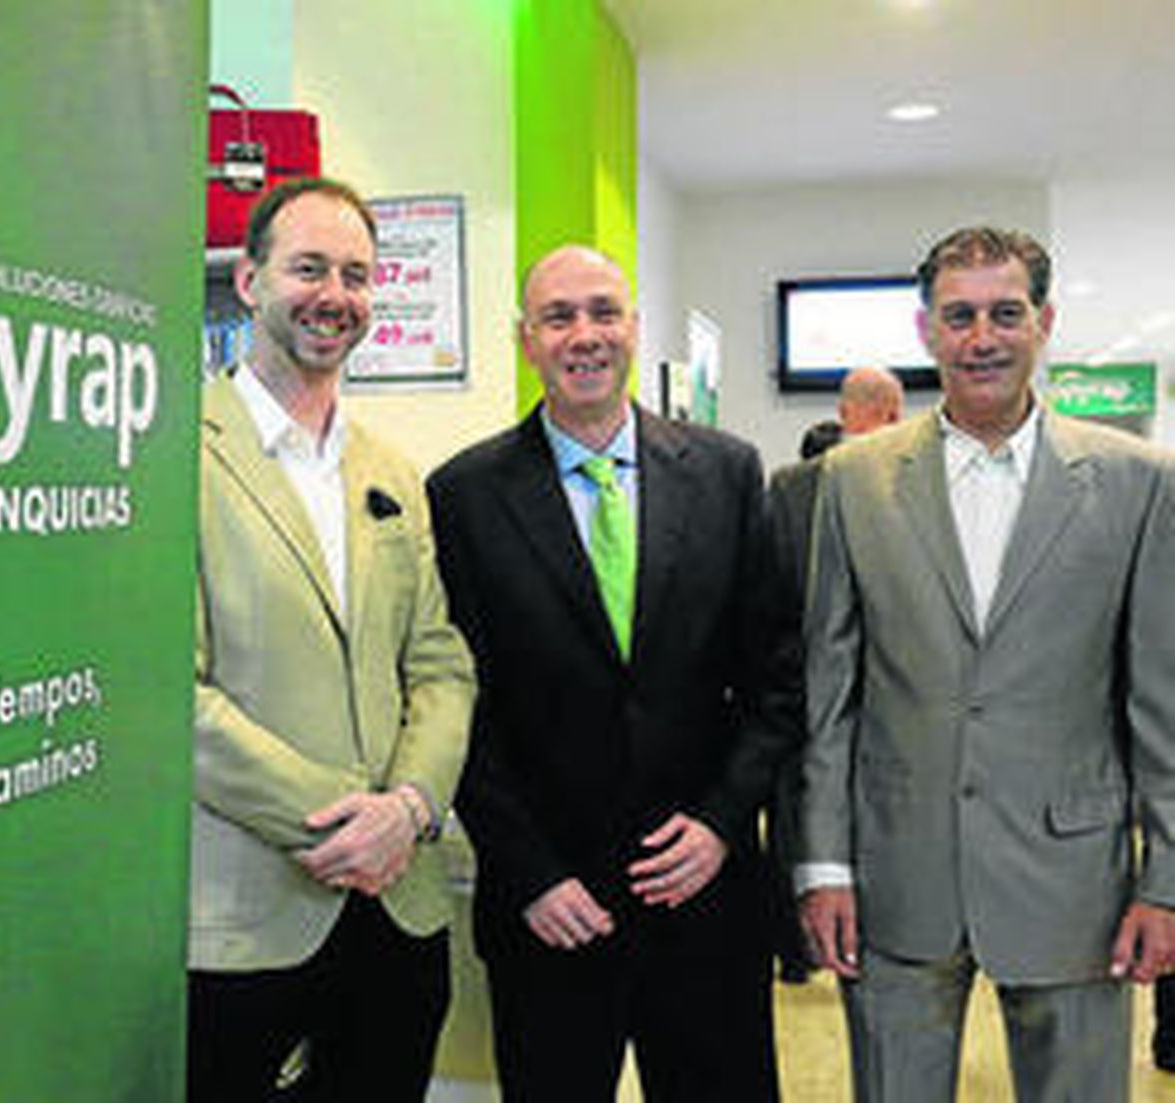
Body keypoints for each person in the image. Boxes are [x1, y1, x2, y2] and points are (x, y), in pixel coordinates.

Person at [800, 225, 1175, 1102]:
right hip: (897, 876)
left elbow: (1162, 699)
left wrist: (1167, 877)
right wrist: (823, 866)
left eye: (1006, 313)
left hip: (1075, 884)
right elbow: (831, 692)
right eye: (959, 316)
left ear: (1044, 322)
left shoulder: (1137, 482)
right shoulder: (853, 480)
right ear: (926, 330)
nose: (982, 338)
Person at [427, 245, 801, 1102]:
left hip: (703, 894)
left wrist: (718, 823)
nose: (584, 335)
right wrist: (529, 871)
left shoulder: (728, 473)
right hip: (551, 910)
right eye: (559, 317)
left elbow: (779, 681)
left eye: (603, 312)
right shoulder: (462, 495)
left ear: (634, 327)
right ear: (525, 339)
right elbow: (457, 704)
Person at [189, 177, 476, 1103]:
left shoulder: (390, 470)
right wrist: (344, 820)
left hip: (397, 903)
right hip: (250, 913)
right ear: (249, 280)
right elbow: (171, 692)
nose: (335, 295)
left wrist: (408, 808)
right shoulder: (175, 455)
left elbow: (440, 663)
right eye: (308, 267)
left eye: (356, 274)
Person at [765, 368, 905, 983]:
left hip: (800, 687)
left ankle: (796, 950)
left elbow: (770, 594)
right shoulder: (913, 483)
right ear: (893, 411)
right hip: (892, 697)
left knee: (798, 814)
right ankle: (873, 934)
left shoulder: (787, 487)